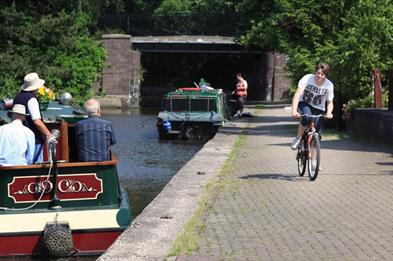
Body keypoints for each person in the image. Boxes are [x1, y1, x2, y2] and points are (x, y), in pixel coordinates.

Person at [290, 63, 334, 150]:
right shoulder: (307, 78)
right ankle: (298, 138)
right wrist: (294, 111)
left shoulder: (329, 85)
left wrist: (329, 113)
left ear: (326, 75)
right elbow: (297, 95)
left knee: (318, 136)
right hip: (305, 103)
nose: (319, 76)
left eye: (322, 74)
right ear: (315, 72)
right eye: (318, 73)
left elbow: (330, 102)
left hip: (319, 108)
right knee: (306, 117)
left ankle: (314, 158)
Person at [13, 72, 51, 163]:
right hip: (34, 140)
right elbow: (37, 121)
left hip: (19, 138)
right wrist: (48, 134)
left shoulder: (17, 97)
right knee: (35, 169)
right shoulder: (31, 99)